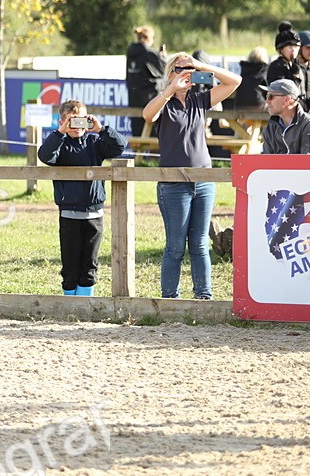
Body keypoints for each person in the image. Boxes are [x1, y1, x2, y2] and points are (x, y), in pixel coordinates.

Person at [142, 52, 241, 299]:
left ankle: (203, 297)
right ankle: (169, 299)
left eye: (188, 69)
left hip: (203, 179)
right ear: (169, 73)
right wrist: (170, 88)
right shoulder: (164, 101)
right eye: (178, 68)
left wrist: (202, 66)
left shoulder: (199, 99)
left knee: (199, 245)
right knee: (175, 246)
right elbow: (148, 115)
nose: (184, 72)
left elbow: (235, 81)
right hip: (173, 182)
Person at [37, 99, 127, 296]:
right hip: (69, 214)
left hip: (95, 214)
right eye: (71, 121)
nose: (77, 126)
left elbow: (119, 146)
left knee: (90, 264)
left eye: (81, 120)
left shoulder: (95, 142)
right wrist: (60, 132)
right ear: (62, 122)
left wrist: (101, 129)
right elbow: (45, 156)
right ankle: (70, 305)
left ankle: (85, 304)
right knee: (70, 265)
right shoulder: (59, 143)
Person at [125, 25, 166, 137]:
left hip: (134, 100)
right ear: (149, 38)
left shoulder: (131, 52)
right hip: (150, 101)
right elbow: (165, 69)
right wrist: (162, 57)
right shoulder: (148, 53)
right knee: (155, 139)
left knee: (138, 138)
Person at [260, 79, 310, 153]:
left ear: (286, 99)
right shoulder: (270, 127)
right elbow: (265, 161)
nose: (267, 101)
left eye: (271, 96)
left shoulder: (307, 125)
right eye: (266, 96)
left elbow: (306, 162)